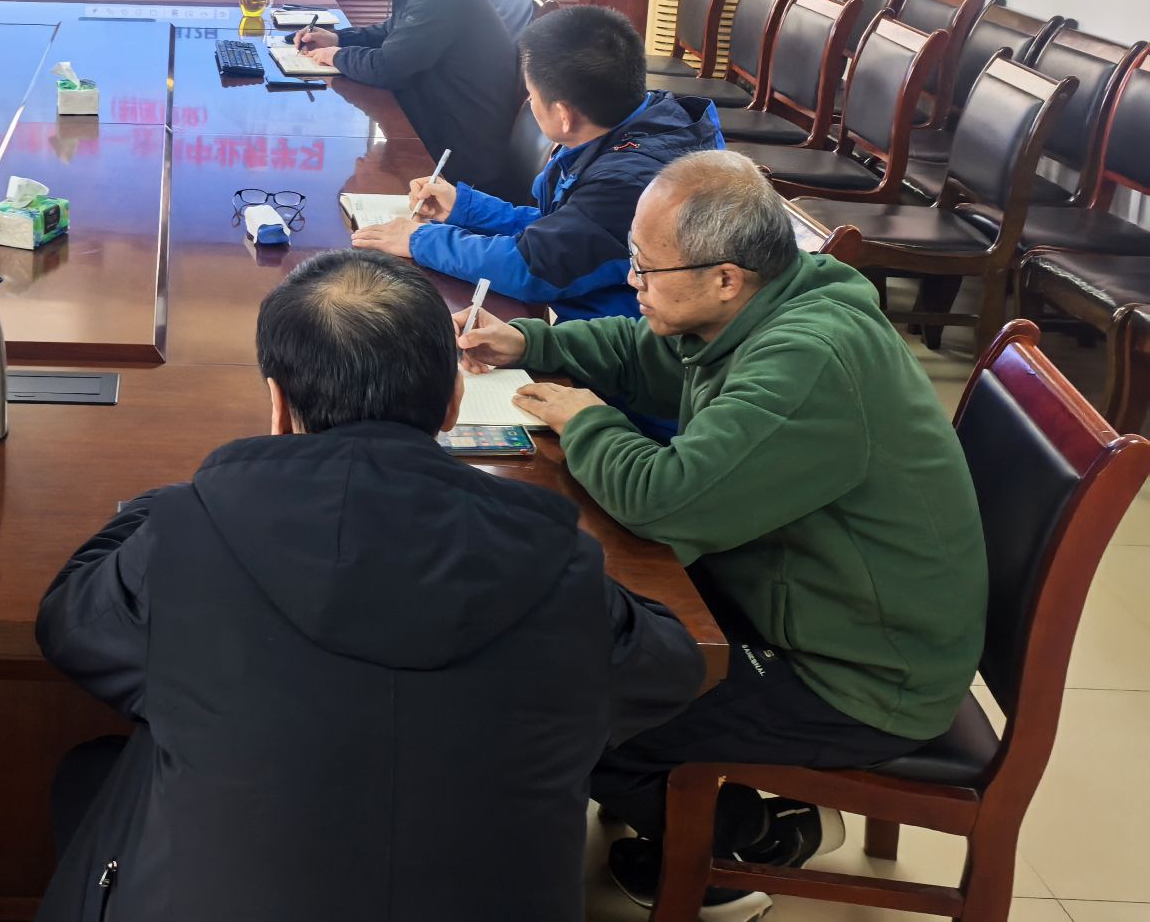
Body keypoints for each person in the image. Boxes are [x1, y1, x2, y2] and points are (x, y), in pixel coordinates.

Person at [35, 249, 705, 922]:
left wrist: (162, 506)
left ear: (276, 404)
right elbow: (671, 667)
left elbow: (70, 623)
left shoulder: (185, 534)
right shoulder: (557, 562)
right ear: (454, 403)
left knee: (96, 771)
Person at [457, 151, 986, 914]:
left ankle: (746, 842)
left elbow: (663, 500)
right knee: (586, 650)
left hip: (859, 674)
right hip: (803, 607)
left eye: (645, 269)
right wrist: (532, 344)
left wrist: (587, 420)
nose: (633, 282)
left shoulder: (808, 358)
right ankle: (706, 814)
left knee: (567, 708)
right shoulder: (763, 304)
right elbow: (644, 352)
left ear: (726, 277)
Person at [352, 4, 723, 329]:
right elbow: (562, 230)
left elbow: (532, 267)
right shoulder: (645, 120)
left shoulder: (627, 182)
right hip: (593, 320)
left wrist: (419, 240)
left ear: (563, 115)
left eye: (531, 95)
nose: (529, 103)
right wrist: (464, 208)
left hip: (624, 348)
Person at [296, 0, 519, 191]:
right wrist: (337, 38)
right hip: (442, 131)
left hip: (461, 158)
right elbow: (392, 32)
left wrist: (335, 56)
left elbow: (389, 67)